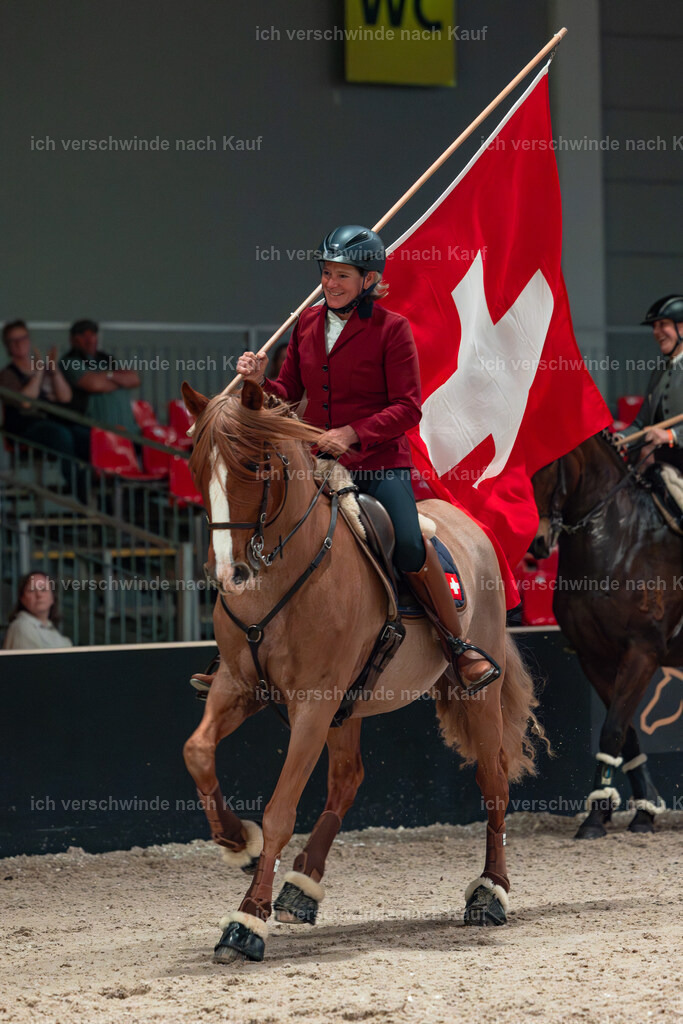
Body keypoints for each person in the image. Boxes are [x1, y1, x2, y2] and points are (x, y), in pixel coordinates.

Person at [193, 225, 500, 694]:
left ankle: (457, 645)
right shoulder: (307, 324)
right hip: (317, 463)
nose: (330, 283)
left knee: (412, 543)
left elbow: (407, 406)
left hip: (379, 463)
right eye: (326, 273)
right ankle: (238, 651)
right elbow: (286, 394)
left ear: (369, 280)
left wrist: (354, 433)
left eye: (341, 275)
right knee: (268, 531)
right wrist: (259, 380)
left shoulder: (392, 330)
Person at [0, 319, 90, 482]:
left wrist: (54, 371)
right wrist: (39, 372)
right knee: (60, 434)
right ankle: (78, 483)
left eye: (23, 338)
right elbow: (26, 401)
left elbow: (65, 397)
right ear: (7, 345)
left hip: (49, 421)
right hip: (25, 428)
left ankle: (101, 487)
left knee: (85, 436)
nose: (20, 344)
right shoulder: (7, 375)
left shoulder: (42, 367)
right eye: (14, 341)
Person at [620, 295, 683, 472]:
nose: (656, 332)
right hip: (666, 466)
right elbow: (641, 423)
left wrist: (672, 435)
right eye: (655, 327)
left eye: (663, 325)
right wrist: (620, 438)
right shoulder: (659, 372)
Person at [60, 319, 139, 431]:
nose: (89, 340)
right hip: (97, 430)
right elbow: (93, 384)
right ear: (73, 339)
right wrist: (120, 382)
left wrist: (108, 376)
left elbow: (134, 379)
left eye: (92, 335)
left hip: (130, 430)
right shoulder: (70, 361)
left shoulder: (107, 359)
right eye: (83, 336)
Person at [3, 571, 73, 650]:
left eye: (43, 589)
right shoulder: (22, 626)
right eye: (31, 590)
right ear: (22, 598)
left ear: (53, 597)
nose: (39, 595)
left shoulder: (57, 634)